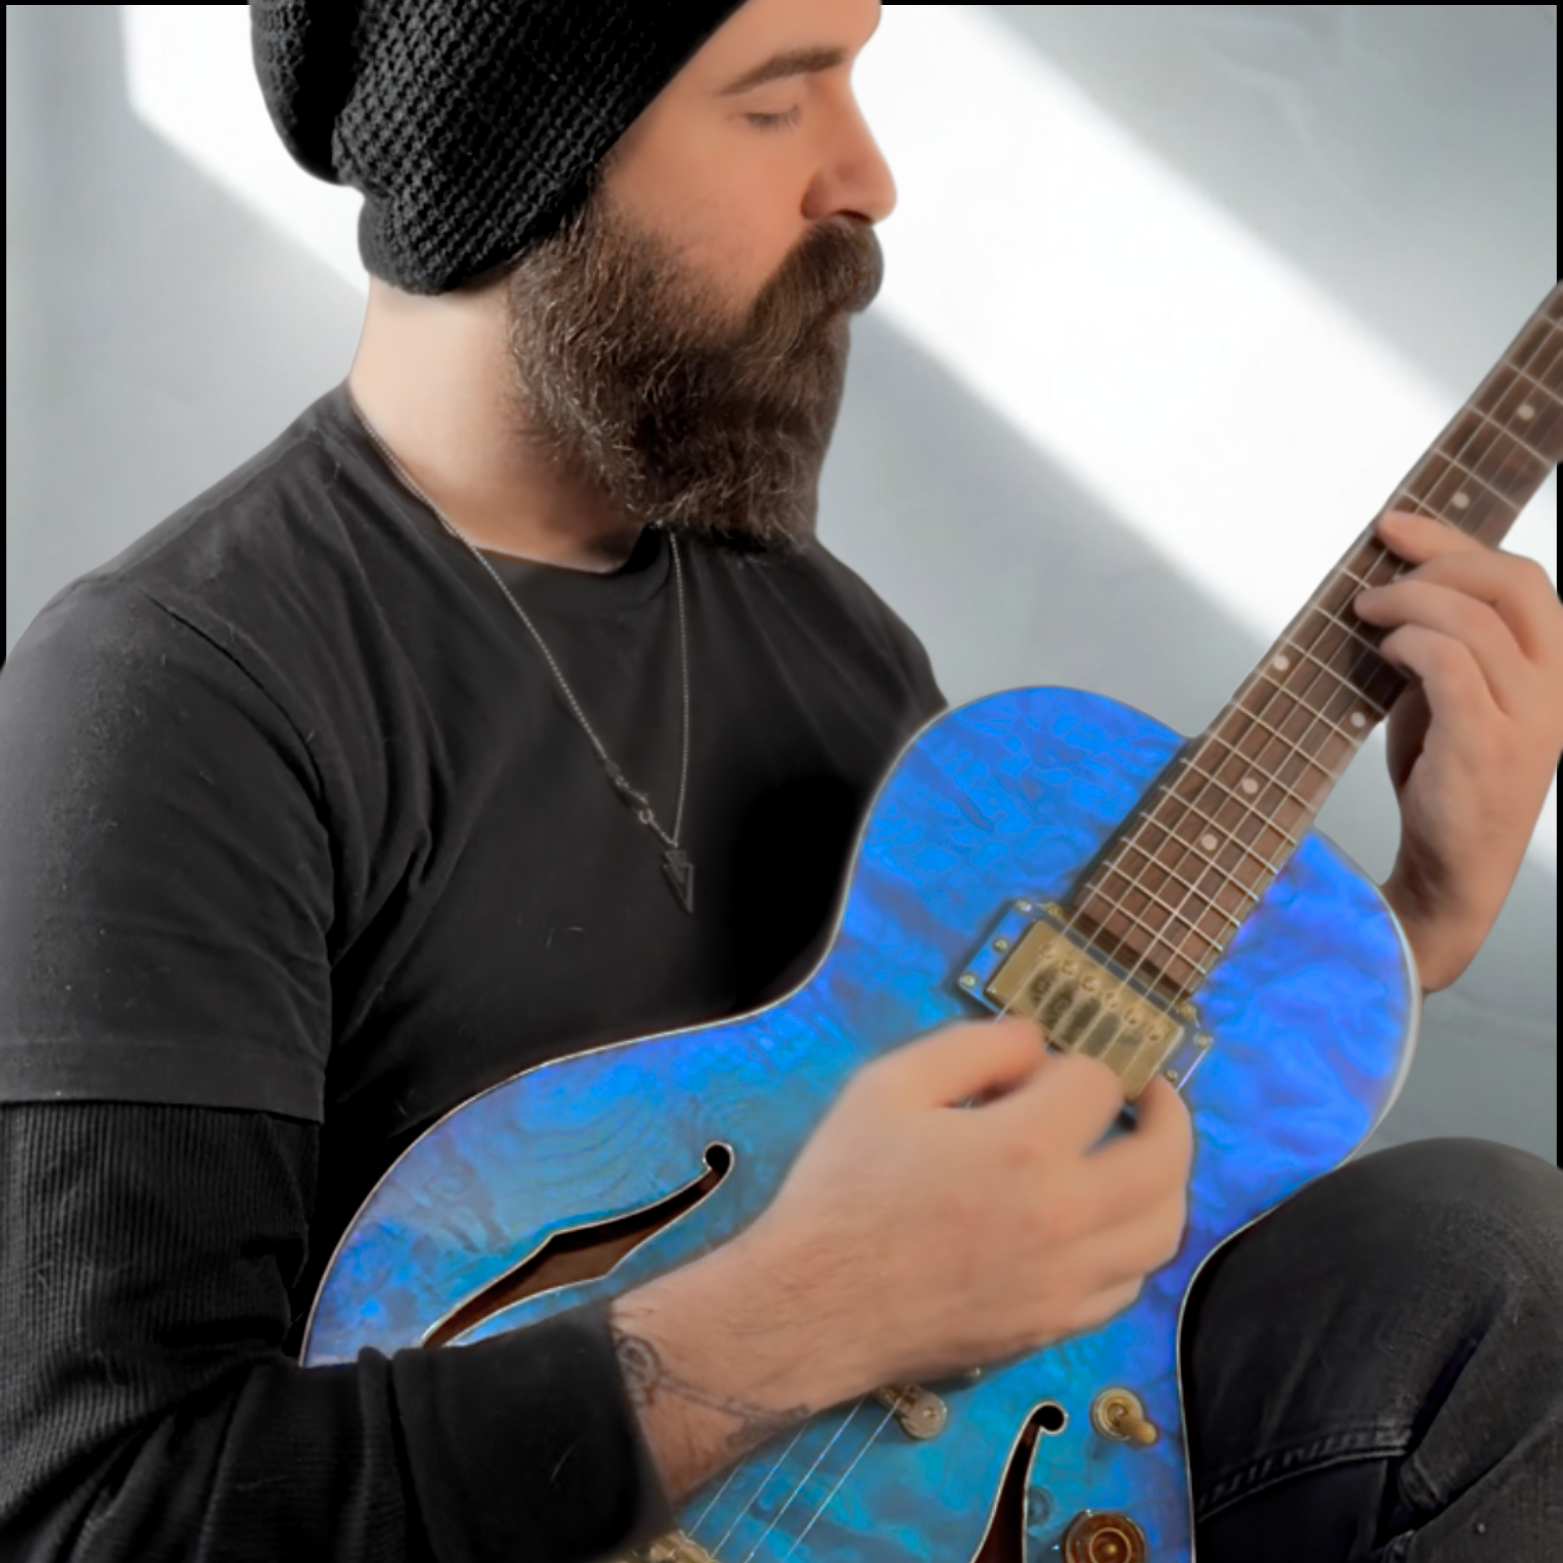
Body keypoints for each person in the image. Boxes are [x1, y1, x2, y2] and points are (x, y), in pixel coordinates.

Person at [2, 0, 1559, 1558]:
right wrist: (809, 1309)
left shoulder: (822, 635)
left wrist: (1413, 918)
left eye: (853, 78)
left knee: (1486, 1258)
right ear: (523, 162)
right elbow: (104, 1509)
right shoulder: (179, 690)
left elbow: (1045, 1133)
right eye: (775, 98)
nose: (865, 176)